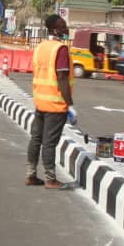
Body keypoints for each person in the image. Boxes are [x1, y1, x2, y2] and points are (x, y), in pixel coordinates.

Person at [26, 14, 74, 190]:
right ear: (55, 29)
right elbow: (62, 77)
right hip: (55, 103)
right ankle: (50, 179)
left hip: (40, 101)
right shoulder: (60, 49)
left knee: (36, 139)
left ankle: (31, 175)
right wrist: (69, 104)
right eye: (63, 27)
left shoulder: (40, 47)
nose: (66, 29)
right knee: (49, 142)